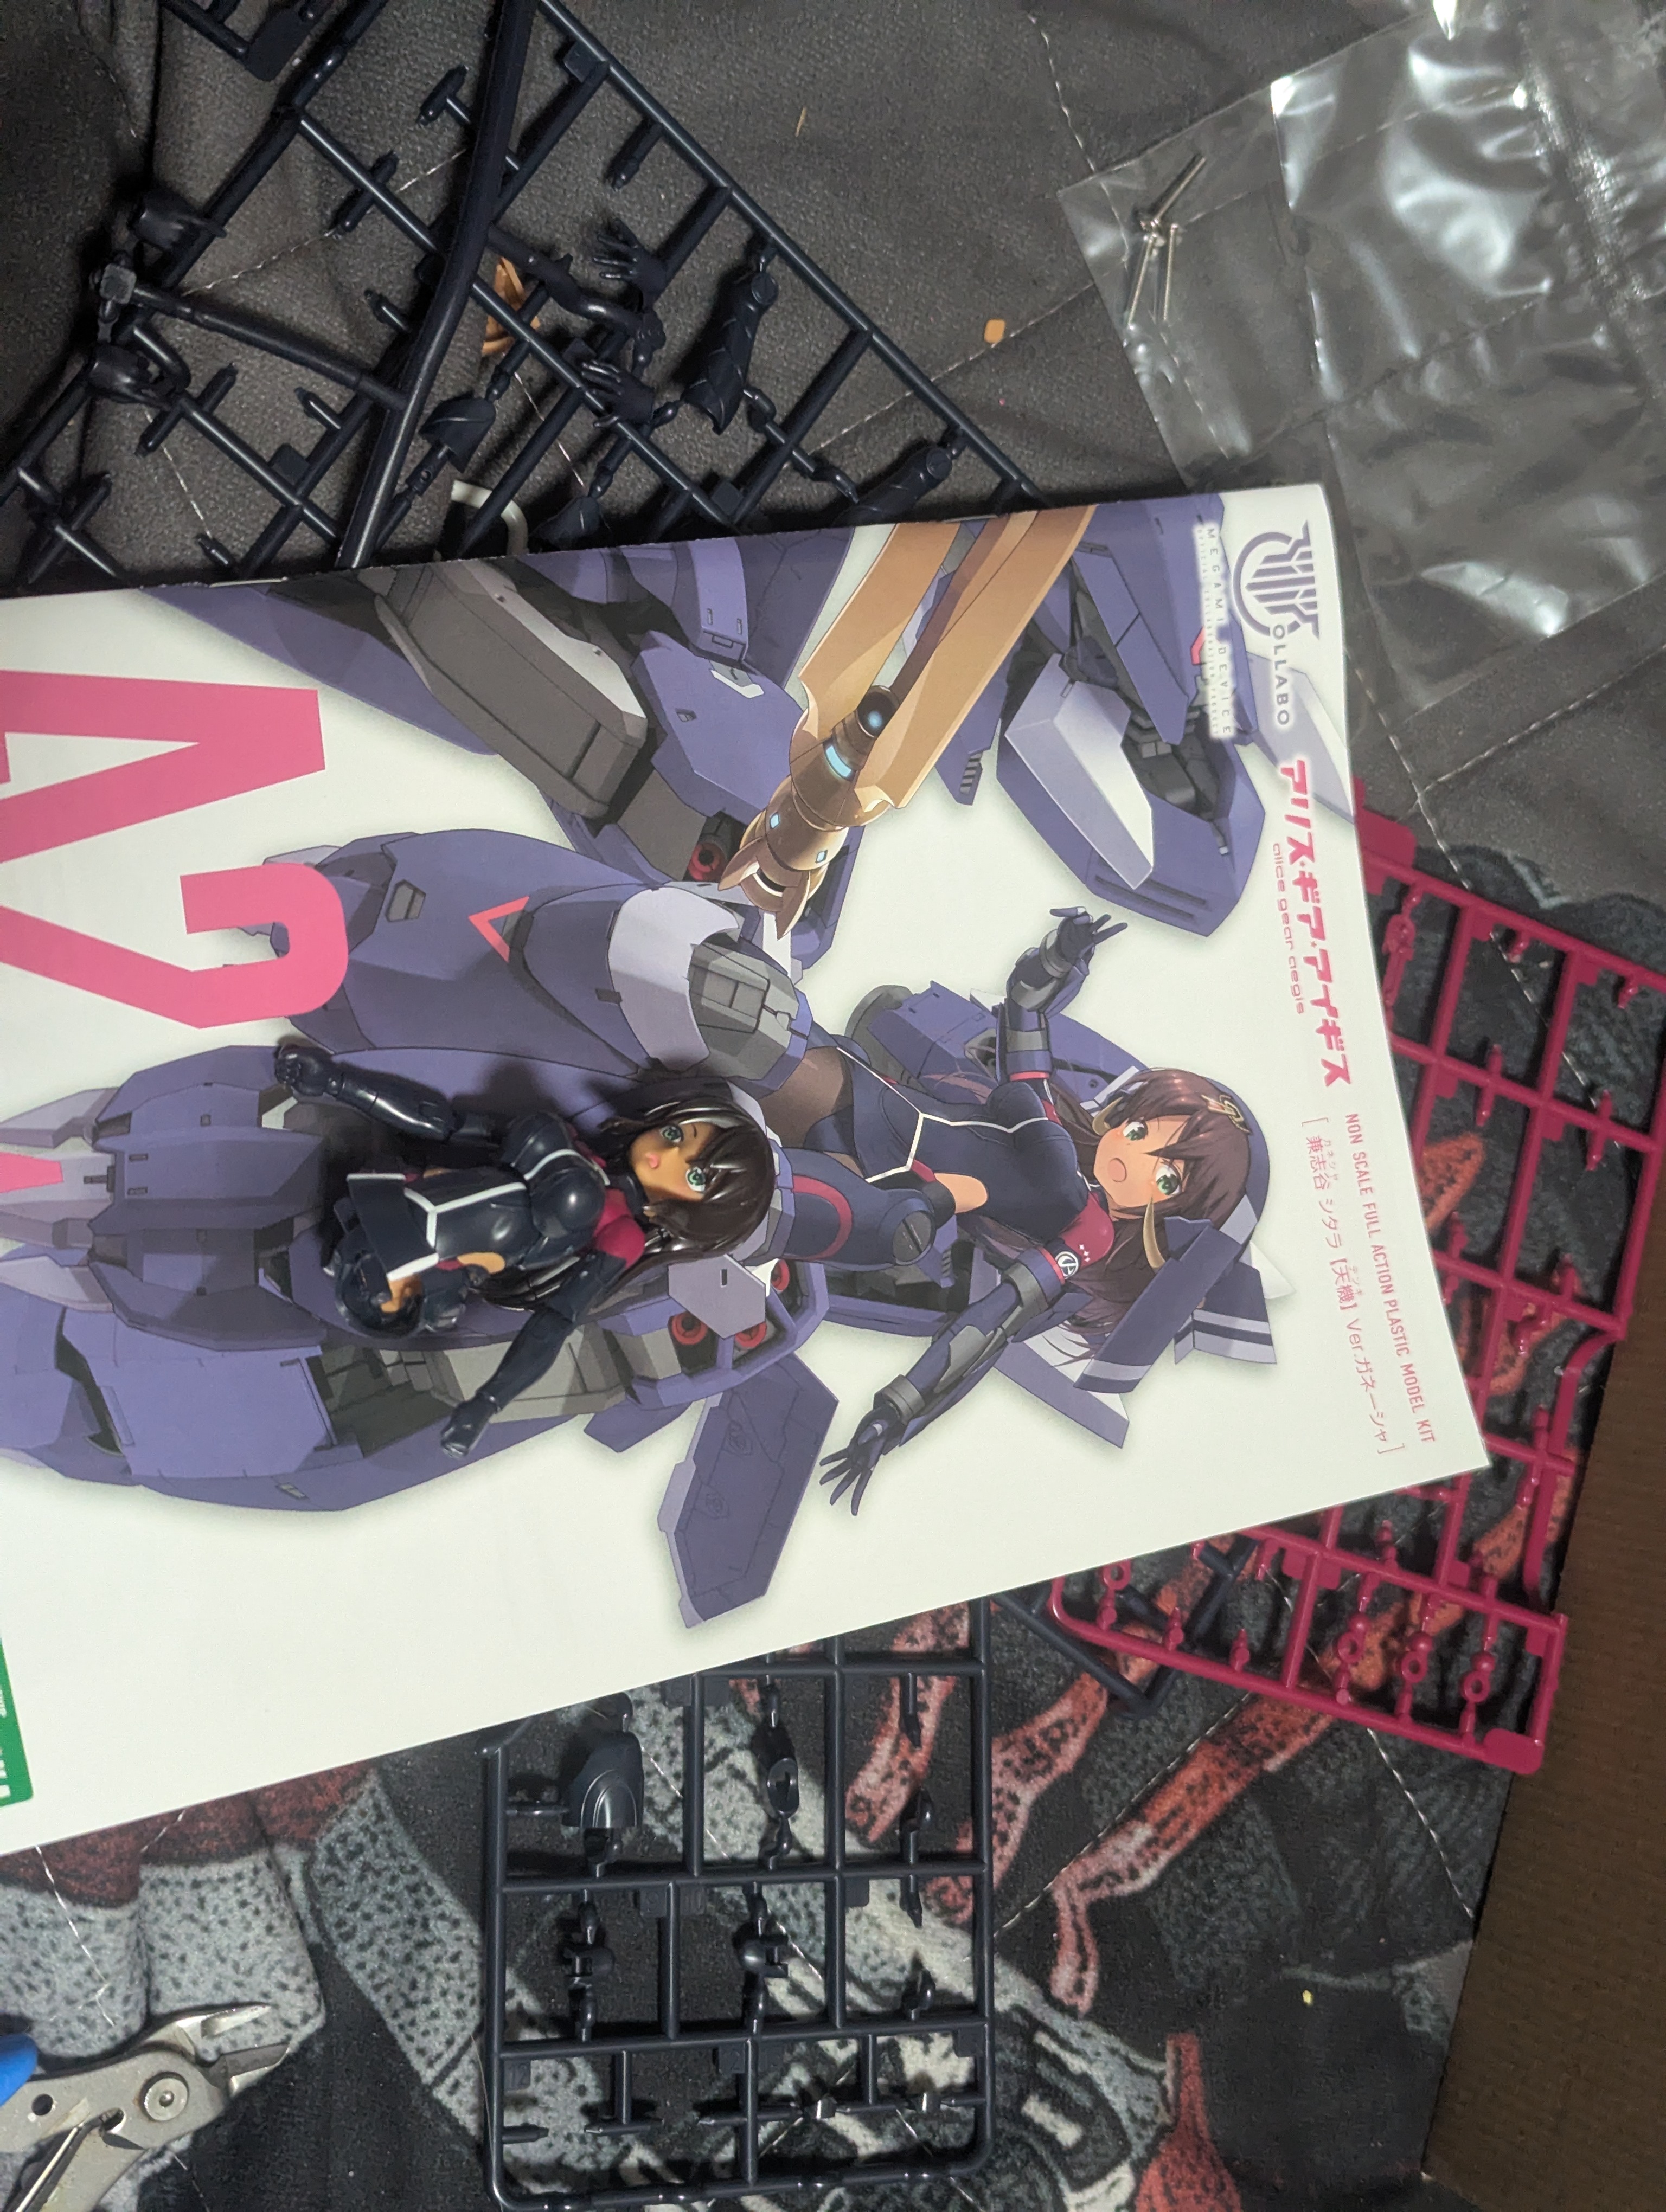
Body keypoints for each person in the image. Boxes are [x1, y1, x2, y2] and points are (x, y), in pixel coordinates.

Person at [782, 911, 1256, 1510]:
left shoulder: (1086, 1231)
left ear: (1171, 1213)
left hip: (872, 1191)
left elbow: (993, 1321)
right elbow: (1023, 1018)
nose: (1131, 1158)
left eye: (1166, 1177)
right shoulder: (1048, 1119)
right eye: (1139, 1131)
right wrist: (1059, 955)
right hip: (870, 1099)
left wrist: (898, 1410)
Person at [272, 1042, 775, 1461]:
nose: (663, 1155)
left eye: (694, 1175)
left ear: (700, 1212)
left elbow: (556, 1320)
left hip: (426, 1271)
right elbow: (446, 1123)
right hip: (388, 1198)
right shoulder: (570, 1146)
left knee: (577, 1196)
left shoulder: (622, 1234)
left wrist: (488, 1403)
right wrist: (336, 1083)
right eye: (675, 1134)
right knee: (548, 1142)